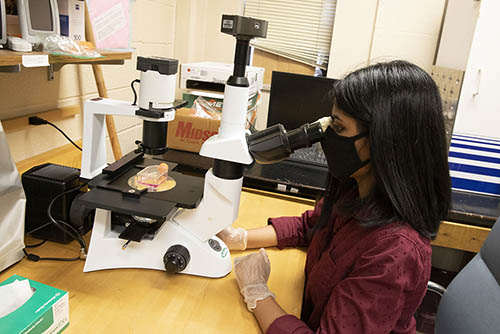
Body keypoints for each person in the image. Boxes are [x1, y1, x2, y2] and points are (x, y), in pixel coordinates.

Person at [217, 60, 451, 334]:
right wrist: (240, 238)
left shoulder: (394, 252)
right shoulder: (357, 188)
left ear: (383, 140)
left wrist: (258, 294)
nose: (327, 138)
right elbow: (311, 226)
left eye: (338, 128)